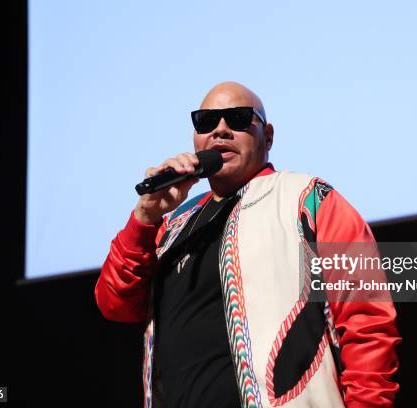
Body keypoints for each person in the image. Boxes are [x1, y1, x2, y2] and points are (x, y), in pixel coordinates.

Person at [95, 82, 400, 408]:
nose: (220, 130)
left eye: (238, 118)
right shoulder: (172, 224)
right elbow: (115, 303)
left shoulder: (308, 199)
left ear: (267, 136)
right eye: (206, 122)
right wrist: (145, 217)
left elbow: (366, 321)